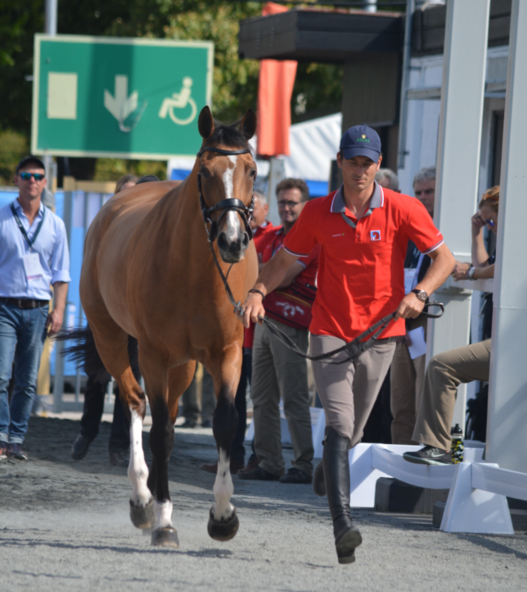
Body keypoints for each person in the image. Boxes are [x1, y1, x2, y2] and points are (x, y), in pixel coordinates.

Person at [239, 126, 454, 564]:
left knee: (352, 433)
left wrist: (421, 294)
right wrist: (259, 291)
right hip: (330, 331)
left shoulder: (402, 207)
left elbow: (444, 259)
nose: (360, 170)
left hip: (382, 336)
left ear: (378, 164)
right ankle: (343, 526)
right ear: (340, 162)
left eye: (368, 162)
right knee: (338, 422)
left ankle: (327, 467)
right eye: (353, 161)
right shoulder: (318, 213)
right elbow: (284, 262)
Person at [404, 186, 498, 466]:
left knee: (442, 373)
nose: (490, 227)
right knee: (404, 407)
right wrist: (476, 233)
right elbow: (488, 263)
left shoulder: (517, 236)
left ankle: (441, 450)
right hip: (410, 328)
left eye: (491, 221)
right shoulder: (503, 238)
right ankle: (438, 455)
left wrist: (470, 272)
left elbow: (501, 266)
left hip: (430, 322)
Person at [238, 178, 320, 485]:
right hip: (264, 321)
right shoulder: (273, 236)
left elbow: (282, 276)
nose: (287, 208)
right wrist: (264, 270)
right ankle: (269, 461)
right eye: (283, 202)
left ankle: (303, 464)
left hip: (291, 325)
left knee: (294, 397)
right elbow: (258, 269)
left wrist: (261, 272)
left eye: (293, 203)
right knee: (261, 397)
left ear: (304, 206)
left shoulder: (310, 237)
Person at [70, 174, 153, 467]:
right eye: (126, 195)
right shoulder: (107, 229)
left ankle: (118, 444)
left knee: (127, 382)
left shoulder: (150, 231)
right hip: (108, 317)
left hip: (135, 318)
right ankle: (87, 431)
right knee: (98, 377)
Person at [0, 156, 70, 461]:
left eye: (38, 176)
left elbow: (61, 273)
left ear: (45, 182)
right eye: (26, 175)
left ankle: (15, 439)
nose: (32, 180)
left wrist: (59, 311)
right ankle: (1, 435)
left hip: (39, 309)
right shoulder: (2, 218)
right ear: (16, 180)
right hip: (5, 306)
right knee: (1, 376)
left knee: (27, 381)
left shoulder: (55, 224)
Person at [390, 166, 436, 444]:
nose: (423, 197)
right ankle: (399, 468)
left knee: (424, 399)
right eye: (418, 193)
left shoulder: (445, 227)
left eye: (429, 191)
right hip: (399, 321)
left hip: (429, 319)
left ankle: (426, 458)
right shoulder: (407, 229)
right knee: (400, 401)